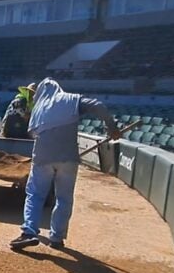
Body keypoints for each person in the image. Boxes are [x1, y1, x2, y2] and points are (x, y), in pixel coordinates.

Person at [11, 78, 121, 249]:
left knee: (35, 194)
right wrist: (111, 127)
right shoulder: (71, 99)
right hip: (68, 159)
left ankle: (29, 232)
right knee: (63, 198)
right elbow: (98, 105)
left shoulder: (38, 109)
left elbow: (33, 134)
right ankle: (56, 238)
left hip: (43, 159)